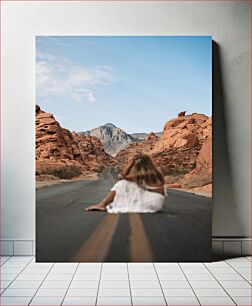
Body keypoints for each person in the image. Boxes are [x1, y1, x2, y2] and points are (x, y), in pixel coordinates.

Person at [85, 153, 167, 213]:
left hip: (152, 202)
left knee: (123, 183)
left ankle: (103, 204)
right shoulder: (155, 171)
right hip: (157, 202)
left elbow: (122, 177)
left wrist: (131, 163)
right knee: (127, 183)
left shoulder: (146, 174)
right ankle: (104, 204)